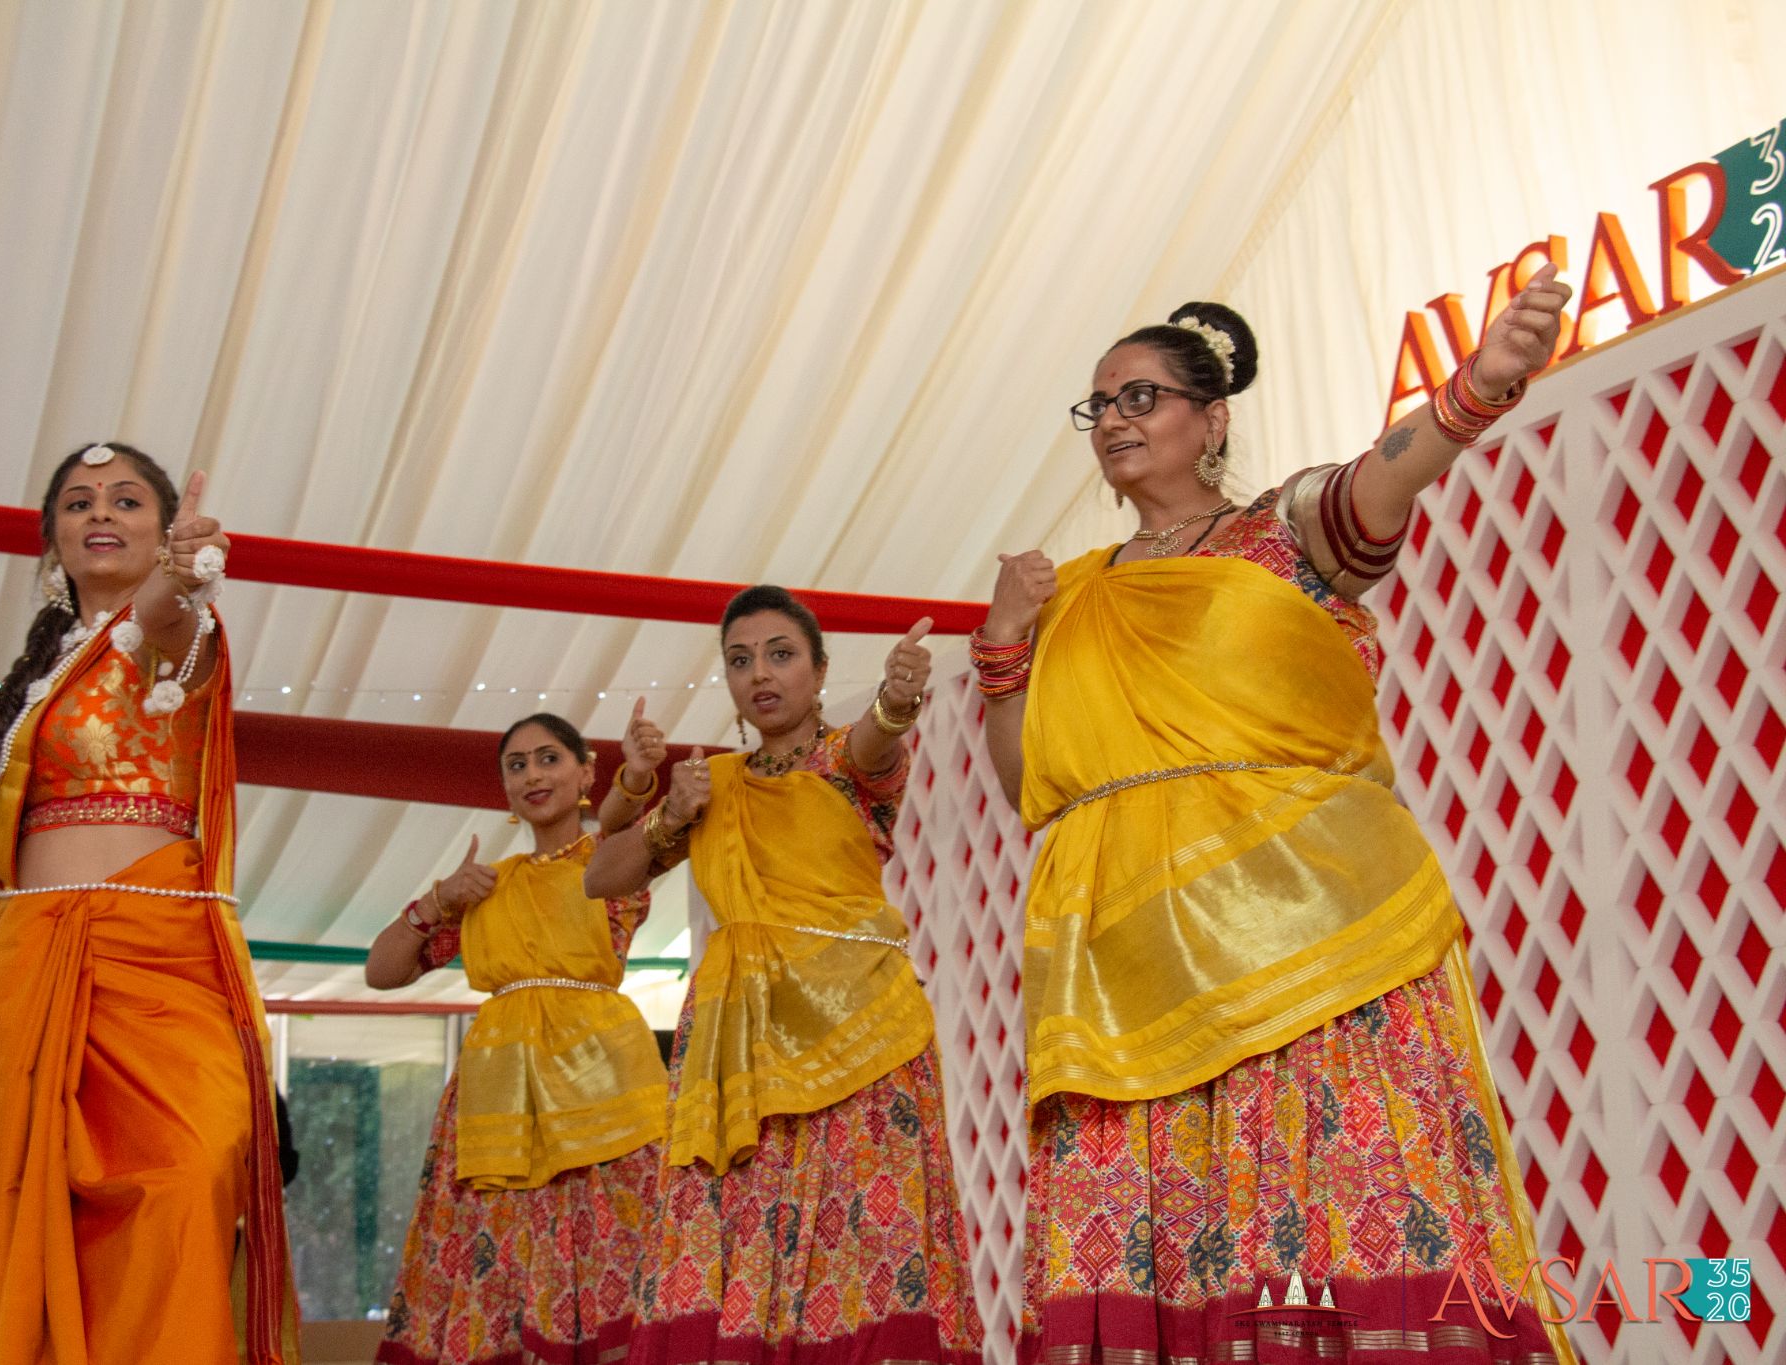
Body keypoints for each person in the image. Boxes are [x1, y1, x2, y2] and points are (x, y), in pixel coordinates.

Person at [982, 273, 1579, 1362]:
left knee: (1341, 1192)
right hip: (1129, 975)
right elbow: (1032, 782)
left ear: (1210, 420)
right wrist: (1002, 649)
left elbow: (1377, 485)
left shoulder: (1279, 534)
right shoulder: (1071, 592)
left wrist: (1477, 389)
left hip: (1312, 945)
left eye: (1139, 397)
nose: (1111, 421)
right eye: (1097, 405)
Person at [0, 442, 295, 1364]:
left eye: (128, 500)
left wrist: (181, 574)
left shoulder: (176, 639)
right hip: (31, 961)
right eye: (80, 501)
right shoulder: (32, 692)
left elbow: (165, 615)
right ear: (52, 539)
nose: (102, 513)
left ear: (165, 531)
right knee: (15, 1201)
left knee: (185, 1175)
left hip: (161, 958)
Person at [585, 586, 983, 1365]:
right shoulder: (712, 783)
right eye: (739, 660)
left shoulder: (843, 761)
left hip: (861, 1038)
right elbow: (603, 874)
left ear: (819, 668)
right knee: (735, 1238)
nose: (759, 674)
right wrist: (668, 813)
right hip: (742, 1054)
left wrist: (897, 702)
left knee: (869, 1241)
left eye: (780, 654)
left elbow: (875, 744)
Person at [368, 711, 669, 1365]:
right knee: (501, 1263)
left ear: (587, 773)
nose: (533, 773)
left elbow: (627, 820)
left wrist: (639, 775)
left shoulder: (608, 859)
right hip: (499, 1102)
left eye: (549, 758)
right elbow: (382, 969)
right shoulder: (484, 886)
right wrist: (438, 900)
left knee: (614, 1254)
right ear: (504, 788)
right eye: (516, 764)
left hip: (601, 1093)